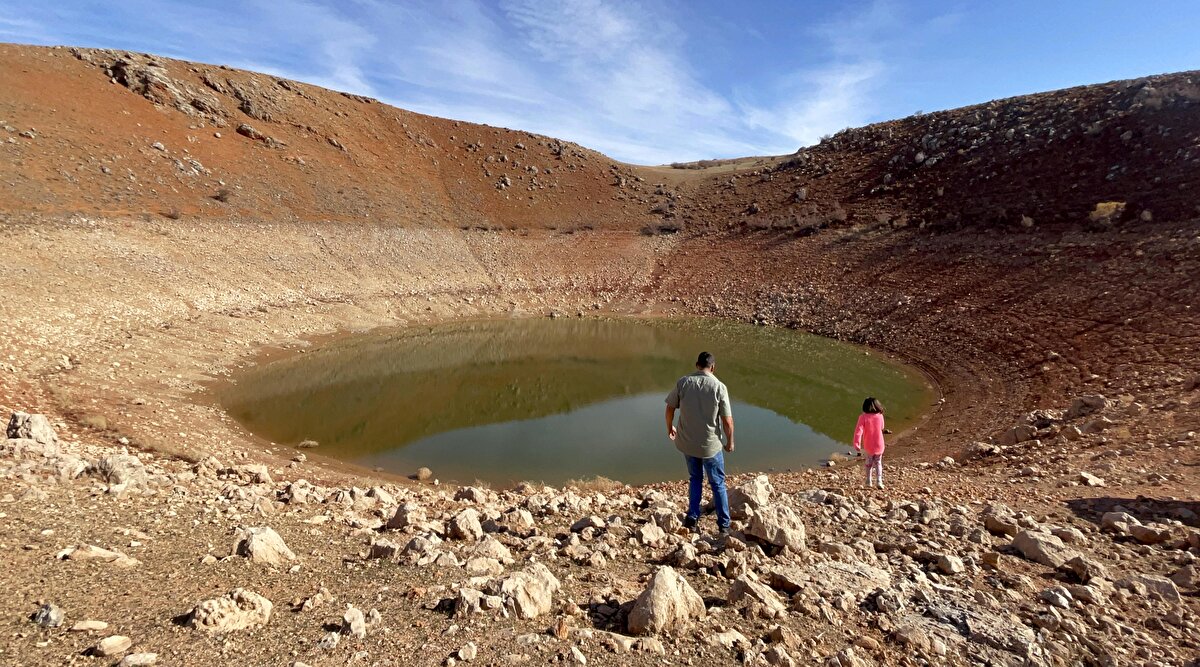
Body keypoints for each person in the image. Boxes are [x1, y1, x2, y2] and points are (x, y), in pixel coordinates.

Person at [665, 351, 734, 536]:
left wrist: (669, 427)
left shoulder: (684, 382)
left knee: (695, 478)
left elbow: (670, 407)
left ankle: (692, 518)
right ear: (713, 367)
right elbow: (727, 421)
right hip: (710, 446)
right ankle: (724, 526)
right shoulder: (719, 387)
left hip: (688, 443)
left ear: (697, 365)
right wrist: (730, 442)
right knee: (718, 483)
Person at [852, 397, 886, 489]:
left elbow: (858, 431)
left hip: (869, 445)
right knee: (878, 462)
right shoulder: (880, 416)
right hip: (879, 443)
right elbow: (882, 427)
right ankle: (879, 481)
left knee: (869, 463)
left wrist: (856, 443)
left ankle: (868, 481)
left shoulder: (863, 417)